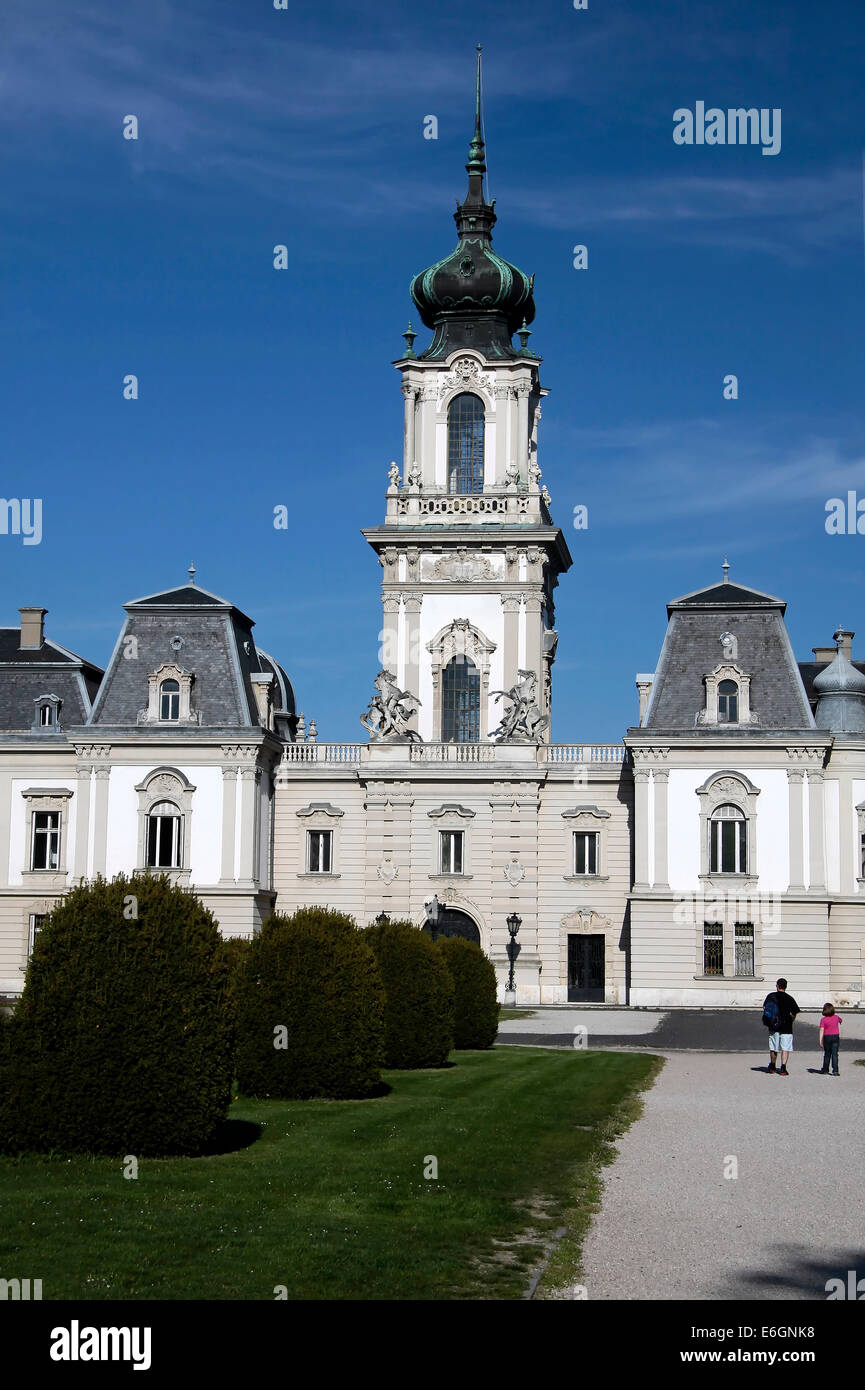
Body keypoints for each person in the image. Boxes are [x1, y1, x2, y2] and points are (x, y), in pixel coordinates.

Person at [763, 978, 799, 1076]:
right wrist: (791, 1019)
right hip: (786, 1025)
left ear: (777, 986)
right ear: (785, 987)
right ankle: (783, 1068)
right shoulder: (789, 998)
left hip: (774, 1025)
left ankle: (773, 1066)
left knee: (773, 1047)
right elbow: (795, 1012)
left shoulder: (771, 996)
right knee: (785, 1047)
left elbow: (765, 1008)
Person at [818, 1003, 842, 1076]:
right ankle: (835, 1070)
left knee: (827, 1054)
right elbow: (840, 1020)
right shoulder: (836, 1017)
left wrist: (820, 1040)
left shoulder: (823, 1020)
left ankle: (825, 1069)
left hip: (827, 1037)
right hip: (835, 1036)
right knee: (835, 1054)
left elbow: (821, 1030)